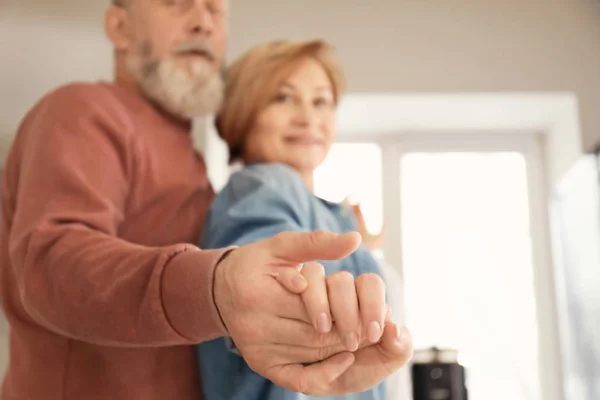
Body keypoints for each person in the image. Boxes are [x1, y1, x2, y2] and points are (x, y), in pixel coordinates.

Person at [0, 1, 413, 399]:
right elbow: (51, 263)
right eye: (175, 2)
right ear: (119, 27)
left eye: (217, 8)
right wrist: (217, 287)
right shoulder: (82, 110)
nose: (203, 22)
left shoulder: (196, 169)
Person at [197, 40, 409, 400]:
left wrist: (362, 245)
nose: (308, 117)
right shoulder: (264, 185)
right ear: (244, 111)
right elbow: (270, 283)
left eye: (321, 101)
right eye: (283, 98)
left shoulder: (320, 210)